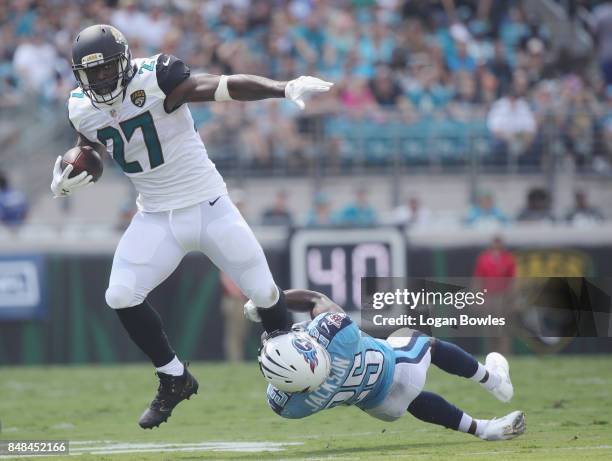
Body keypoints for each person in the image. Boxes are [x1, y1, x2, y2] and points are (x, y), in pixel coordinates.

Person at [49, 24, 332, 429]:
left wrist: (282, 88)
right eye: (91, 74)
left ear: (125, 61)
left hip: (209, 205)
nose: (100, 80)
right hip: (155, 216)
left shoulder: (159, 76)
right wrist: (69, 168)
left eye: (106, 69)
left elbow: (224, 87)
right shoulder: (80, 105)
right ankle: (173, 376)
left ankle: (295, 372)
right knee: (120, 295)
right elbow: (90, 147)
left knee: (266, 293)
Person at [259, 289, 525, 441]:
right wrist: (271, 300)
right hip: (398, 365)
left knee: (411, 399)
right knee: (421, 341)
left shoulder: (285, 406)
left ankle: (483, 429)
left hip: (381, 407)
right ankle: (494, 380)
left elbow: (286, 376)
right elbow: (315, 299)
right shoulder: (337, 333)